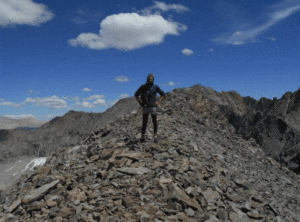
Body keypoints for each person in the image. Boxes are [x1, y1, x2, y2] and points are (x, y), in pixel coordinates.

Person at [135, 73, 166, 142]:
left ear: (153, 80)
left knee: (154, 121)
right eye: (149, 79)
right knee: (144, 122)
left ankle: (155, 135)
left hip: (153, 107)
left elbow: (163, 94)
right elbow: (136, 95)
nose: (150, 80)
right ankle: (142, 137)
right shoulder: (143, 87)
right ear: (147, 79)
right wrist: (140, 103)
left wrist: (159, 101)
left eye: (151, 79)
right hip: (145, 107)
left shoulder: (155, 87)